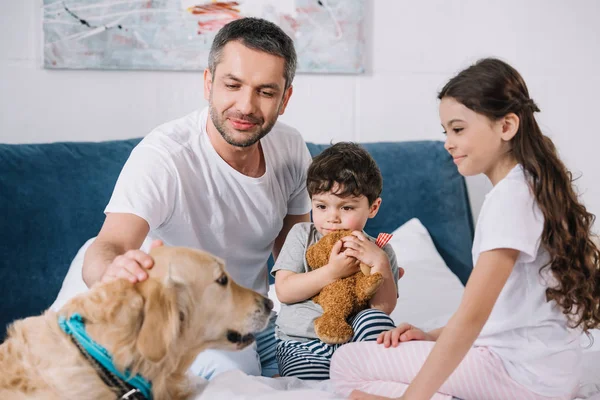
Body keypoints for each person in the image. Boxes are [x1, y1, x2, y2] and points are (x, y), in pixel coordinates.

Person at [329, 58, 600, 400]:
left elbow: (473, 316)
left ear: (506, 126)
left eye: (458, 129)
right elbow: (505, 315)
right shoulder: (528, 188)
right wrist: (432, 336)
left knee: (347, 363)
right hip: (546, 374)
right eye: (446, 132)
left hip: (519, 376)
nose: (448, 143)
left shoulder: (510, 200)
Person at [80, 17, 312, 379]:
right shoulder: (164, 157)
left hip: (250, 314)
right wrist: (112, 271)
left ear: (285, 98)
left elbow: (295, 261)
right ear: (208, 83)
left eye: (265, 92)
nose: (246, 106)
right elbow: (108, 246)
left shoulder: (291, 148)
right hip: (174, 317)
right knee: (225, 380)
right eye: (232, 85)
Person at [272, 142, 400, 380]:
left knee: (373, 320)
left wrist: (380, 264)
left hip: (355, 344)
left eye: (347, 207)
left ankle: (369, 376)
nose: (332, 218)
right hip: (302, 342)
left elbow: (383, 309)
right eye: (321, 206)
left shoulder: (380, 250)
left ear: (373, 207)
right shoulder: (302, 235)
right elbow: (284, 291)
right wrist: (333, 271)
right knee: (312, 388)